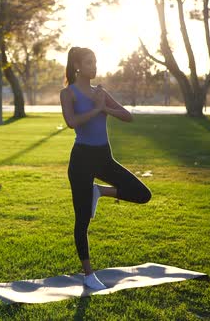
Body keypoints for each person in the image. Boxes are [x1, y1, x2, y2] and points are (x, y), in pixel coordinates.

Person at [59, 47, 152, 290]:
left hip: (103, 157)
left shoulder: (101, 93)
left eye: (96, 62)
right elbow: (71, 122)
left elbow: (127, 115)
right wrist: (95, 109)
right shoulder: (67, 93)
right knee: (81, 221)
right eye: (90, 62)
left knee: (143, 195)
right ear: (78, 66)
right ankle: (88, 274)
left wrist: (104, 108)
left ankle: (99, 191)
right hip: (81, 160)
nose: (94, 66)